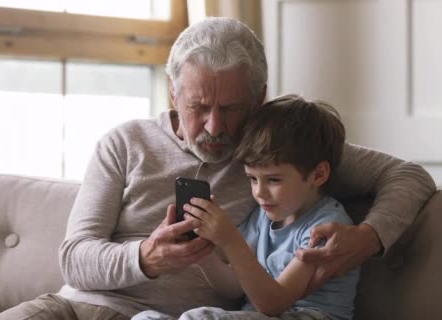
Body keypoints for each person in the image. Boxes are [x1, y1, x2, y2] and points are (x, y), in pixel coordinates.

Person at [0, 17, 435, 320]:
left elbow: (409, 176)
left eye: (231, 108)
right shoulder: (124, 143)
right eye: (198, 107)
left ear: (259, 98)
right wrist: (144, 258)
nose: (215, 126)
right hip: (71, 308)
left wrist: (367, 238)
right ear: (172, 95)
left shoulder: (276, 152)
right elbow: (74, 259)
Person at [135, 94, 358, 320]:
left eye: (274, 180)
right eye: (252, 179)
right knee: (143, 318)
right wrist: (202, 250)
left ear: (318, 174)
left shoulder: (328, 229)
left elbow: (274, 303)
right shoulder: (263, 217)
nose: (259, 192)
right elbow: (233, 288)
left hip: (308, 316)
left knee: (200, 318)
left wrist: (231, 240)